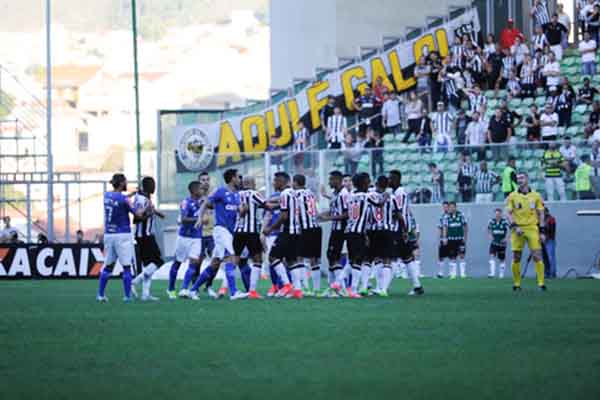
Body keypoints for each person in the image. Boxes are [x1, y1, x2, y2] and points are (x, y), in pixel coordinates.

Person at [188, 169, 248, 301]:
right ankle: (233, 292)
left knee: (215, 263)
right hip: (221, 230)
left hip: (230, 231)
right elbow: (206, 203)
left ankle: (192, 290)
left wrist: (243, 210)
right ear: (232, 178)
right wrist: (199, 218)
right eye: (239, 177)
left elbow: (239, 212)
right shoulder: (221, 191)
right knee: (231, 256)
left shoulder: (237, 195)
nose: (240, 179)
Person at [96, 173, 145, 302]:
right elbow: (138, 214)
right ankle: (127, 296)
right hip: (123, 235)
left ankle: (100, 295)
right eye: (126, 182)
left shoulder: (106, 196)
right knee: (127, 266)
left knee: (108, 265)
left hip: (109, 234)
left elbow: (119, 200)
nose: (127, 184)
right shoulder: (125, 200)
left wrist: (131, 194)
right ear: (122, 183)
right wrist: (147, 208)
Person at [506, 172, 547, 291]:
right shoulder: (512, 196)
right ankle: (517, 284)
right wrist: (515, 226)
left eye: (522, 178)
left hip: (532, 228)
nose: (519, 180)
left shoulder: (536, 195)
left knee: (537, 255)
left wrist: (542, 231)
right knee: (516, 257)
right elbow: (508, 213)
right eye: (518, 178)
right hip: (517, 229)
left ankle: (541, 283)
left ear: (527, 179)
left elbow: (541, 213)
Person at [231, 176, 269, 299]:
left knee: (234, 261)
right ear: (252, 183)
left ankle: (225, 288)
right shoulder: (253, 194)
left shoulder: (236, 195)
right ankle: (252, 291)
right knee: (257, 260)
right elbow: (266, 205)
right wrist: (281, 203)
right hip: (251, 232)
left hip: (238, 231)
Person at [262, 172, 298, 298]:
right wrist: (269, 205)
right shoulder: (293, 193)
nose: (274, 183)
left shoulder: (284, 194)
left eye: (276, 181)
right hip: (297, 231)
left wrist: (270, 229)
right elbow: (283, 206)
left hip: (287, 231)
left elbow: (283, 216)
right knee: (291, 261)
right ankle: (297, 290)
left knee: (272, 257)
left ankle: (287, 285)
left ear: (282, 182)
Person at [167, 181, 205, 299]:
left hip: (196, 237)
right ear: (194, 191)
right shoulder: (186, 202)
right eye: (200, 189)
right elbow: (183, 219)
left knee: (194, 262)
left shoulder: (202, 202)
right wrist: (198, 220)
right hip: (184, 237)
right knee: (177, 262)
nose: (202, 191)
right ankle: (171, 289)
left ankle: (184, 288)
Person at [389, 169, 423, 295]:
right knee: (406, 257)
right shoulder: (398, 192)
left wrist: (403, 230)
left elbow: (399, 214)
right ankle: (417, 286)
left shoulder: (399, 193)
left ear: (397, 180)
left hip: (400, 229)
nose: (389, 180)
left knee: (393, 258)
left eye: (391, 178)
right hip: (402, 229)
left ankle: (383, 288)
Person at [130, 176, 165, 301]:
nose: (154, 187)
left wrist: (155, 213)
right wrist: (148, 214)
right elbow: (136, 218)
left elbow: (148, 212)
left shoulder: (144, 198)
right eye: (152, 184)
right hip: (144, 235)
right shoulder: (141, 199)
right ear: (146, 186)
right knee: (159, 261)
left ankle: (145, 294)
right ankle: (134, 282)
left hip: (145, 235)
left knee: (148, 266)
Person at [294, 174, 322, 296]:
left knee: (299, 257)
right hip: (316, 227)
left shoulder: (296, 195)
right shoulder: (310, 193)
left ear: (295, 182)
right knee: (314, 260)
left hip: (304, 229)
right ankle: (316, 290)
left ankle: (305, 288)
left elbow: (296, 212)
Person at [441, 201, 468, 279]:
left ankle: (463, 274)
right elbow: (445, 228)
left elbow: (465, 226)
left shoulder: (461, 215)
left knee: (462, 255)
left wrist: (465, 237)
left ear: (456, 207)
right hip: (451, 239)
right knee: (452, 257)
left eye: (453, 207)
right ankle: (453, 274)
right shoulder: (446, 217)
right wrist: (444, 238)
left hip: (460, 239)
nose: (452, 208)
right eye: (451, 207)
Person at [488, 208, 510, 278]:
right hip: (494, 243)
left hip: (502, 244)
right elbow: (489, 229)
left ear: (501, 214)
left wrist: (506, 238)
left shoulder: (504, 222)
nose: (497, 215)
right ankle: (492, 273)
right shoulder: (492, 221)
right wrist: (490, 235)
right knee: (491, 256)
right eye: (496, 214)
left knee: (502, 259)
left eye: (499, 214)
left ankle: (501, 274)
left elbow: (509, 230)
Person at [436, 202, 450, 278]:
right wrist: (440, 238)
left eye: (446, 207)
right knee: (441, 256)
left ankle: (452, 273)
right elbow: (440, 228)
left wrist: (446, 237)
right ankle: (440, 273)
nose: (445, 208)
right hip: (443, 239)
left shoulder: (450, 216)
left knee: (452, 256)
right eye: (443, 207)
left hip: (450, 238)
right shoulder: (442, 217)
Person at [543, 207, 557, 278]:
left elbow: (552, 231)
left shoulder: (551, 219)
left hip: (550, 240)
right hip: (542, 241)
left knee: (550, 257)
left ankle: (552, 273)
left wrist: (547, 238)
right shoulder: (541, 219)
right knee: (544, 258)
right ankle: (546, 273)